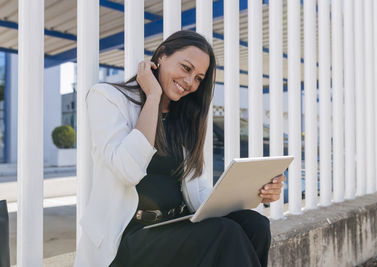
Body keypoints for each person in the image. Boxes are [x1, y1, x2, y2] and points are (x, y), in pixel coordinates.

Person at [74, 30, 286, 267]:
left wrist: (256, 191)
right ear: (162, 56)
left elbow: (198, 193)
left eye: (198, 78)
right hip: (128, 237)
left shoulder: (183, 117)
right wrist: (152, 97)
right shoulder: (108, 97)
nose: (190, 83)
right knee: (224, 233)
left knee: (256, 225)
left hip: (175, 226)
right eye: (186, 68)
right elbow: (128, 170)